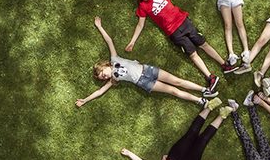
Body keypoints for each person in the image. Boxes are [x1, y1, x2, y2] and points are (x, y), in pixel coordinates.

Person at [76, 16, 211, 107]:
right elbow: (100, 92)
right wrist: (85, 100)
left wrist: (99, 26)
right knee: (173, 91)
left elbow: (109, 40)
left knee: (177, 81)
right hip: (144, 82)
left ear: (105, 65)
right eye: (102, 77)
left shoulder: (114, 59)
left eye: (102, 73)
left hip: (148, 70)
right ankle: (199, 100)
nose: (104, 76)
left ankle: (204, 89)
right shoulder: (113, 80)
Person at [125, 0, 224, 89]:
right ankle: (210, 77)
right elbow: (140, 24)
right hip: (174, 33)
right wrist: (132, 42)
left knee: (203, 44)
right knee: (192, 54)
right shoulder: (143, 7)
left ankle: (224, 65)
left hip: (184, 22)